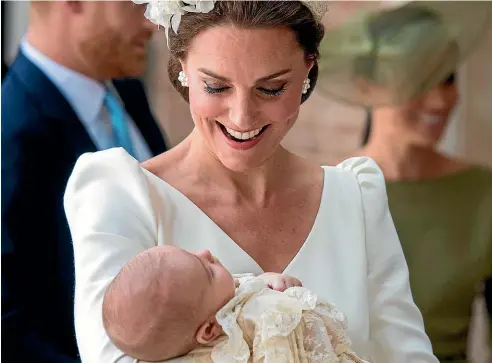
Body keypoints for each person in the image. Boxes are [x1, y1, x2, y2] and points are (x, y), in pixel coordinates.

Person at [64, 1, 440, 362]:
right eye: (216, 87)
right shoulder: (120, 194)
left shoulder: (355, 198)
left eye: (271, 88)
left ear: (308, 69)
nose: (242, 117)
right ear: (183, 68)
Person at [316, 2, 492, 362]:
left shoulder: (490, 196)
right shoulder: (323, 192)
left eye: (448, 78)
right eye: (419, 80)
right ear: (366, 86)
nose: (439, 100)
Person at [1, 2, 168, 362]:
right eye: (135, 2)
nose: (152, 23)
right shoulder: (10, 133)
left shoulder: (129, 94)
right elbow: (8, 324)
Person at [102, 246, 367, 363]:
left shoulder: (220, 305)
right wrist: (281, 301)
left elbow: (244, 289)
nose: (205, 253)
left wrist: (267, 282)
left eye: (190, 252)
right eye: (208, 270)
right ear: (209, 330)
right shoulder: (258, 325)